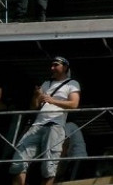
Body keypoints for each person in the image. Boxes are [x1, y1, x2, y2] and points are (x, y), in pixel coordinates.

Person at [9, 56, 81, 185]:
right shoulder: (46, 83)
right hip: (37, 124)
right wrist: (36, 96)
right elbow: (34, 107)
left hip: (55, 125)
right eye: (51, 65)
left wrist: (54, 101)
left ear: (64, 67)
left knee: (49, 166)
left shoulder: (72, 83)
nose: (52, 68)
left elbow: (74, 104)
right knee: (17, 162)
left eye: (55, 65)